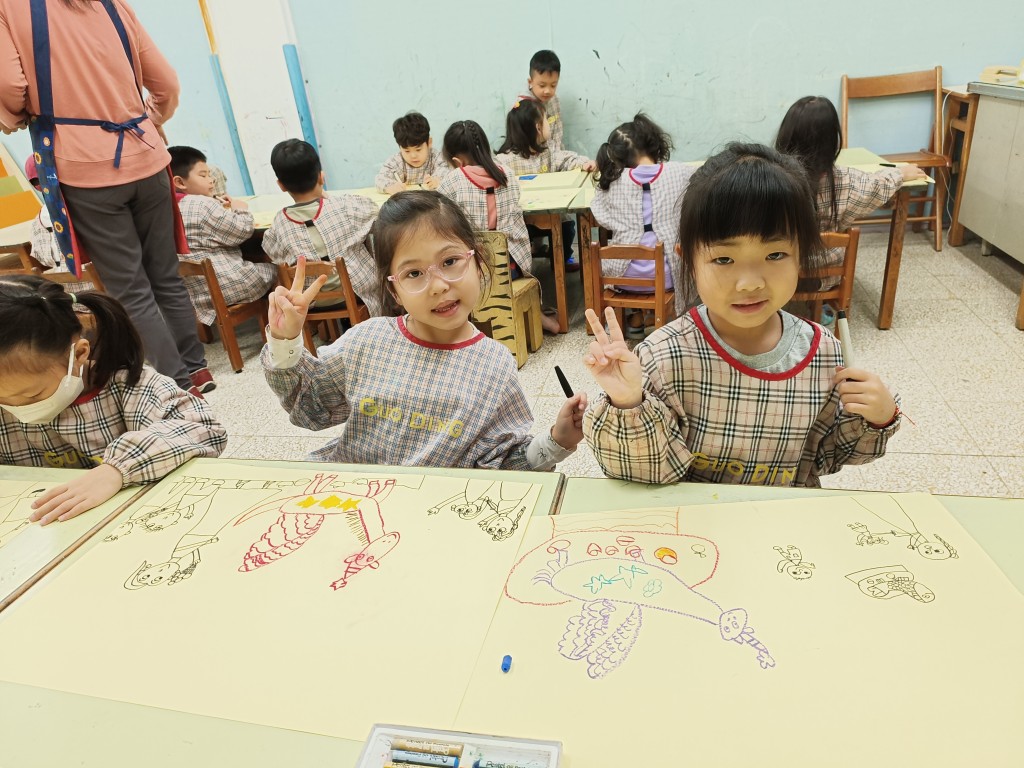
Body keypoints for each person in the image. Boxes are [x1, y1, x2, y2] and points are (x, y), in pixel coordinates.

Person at [583, 142, 902, 487]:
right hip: (697, 519)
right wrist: (628, 402)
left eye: (775, 255)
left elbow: (826, 456)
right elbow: (649, 474)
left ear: (802, 254)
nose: (750, 283)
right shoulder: (663, 357)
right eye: (723, 259)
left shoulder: (823, 352)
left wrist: (878, 418)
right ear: (688, 260)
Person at [262, 190, 586, 469]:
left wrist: (556, 441)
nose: (439, 285)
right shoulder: (366, 341)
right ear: (394, 291)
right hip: (352, 494)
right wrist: (284, 339)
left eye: (450, 261)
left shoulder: (494, 365)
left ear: (477, 262)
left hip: (430, 510)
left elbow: (500, 464)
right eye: (414, 274)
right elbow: (310, 410)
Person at [0, 0, 212, 396]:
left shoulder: (10, 8)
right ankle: (198, 369)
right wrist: (152, 119)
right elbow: (166, 84)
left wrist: (12, 117)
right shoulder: (111, 3)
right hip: (148, 157)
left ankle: (179, 384)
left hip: (84, 167)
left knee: (131, 289)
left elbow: (10, 87)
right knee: (166, 276)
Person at [0, 275, 226, 525]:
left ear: (80, 353)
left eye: (32, 395)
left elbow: (204, 428)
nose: (16, 406)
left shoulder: (128, 385)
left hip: (137, 521)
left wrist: (117, 470)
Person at [774, 96, 926, 294]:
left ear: (786, 134)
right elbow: (877, 186)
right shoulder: (845, 180)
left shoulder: (773, 179)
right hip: (823, 274)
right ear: (832, 140)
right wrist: (900, 173)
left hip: (777, 271)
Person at [436, 120, 560, 335]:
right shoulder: (507, 174)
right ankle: (539, 316)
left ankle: (464, 327)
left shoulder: (453, 180)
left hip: (478, 270)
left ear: (456, 161)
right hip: (514, 266)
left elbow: (438, 217)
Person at [591, 113, 697, 334]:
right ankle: (654, 316)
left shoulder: (612, 182)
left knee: (628, 254)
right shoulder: (678, 172)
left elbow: (602, 217)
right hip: (668, 276)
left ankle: (640, 317)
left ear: (617, 157)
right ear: (654, 144)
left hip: (621, 277)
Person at [169, 145, 275, 347]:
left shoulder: (165, 207)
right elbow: (242, 231)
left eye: (210, 174)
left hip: (198, 293)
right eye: (203, 175)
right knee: (275, 268)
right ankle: (284, 331)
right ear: (180, 182)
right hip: (229, 284)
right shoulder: (201, 204)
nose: (211, 180)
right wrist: (240, 209)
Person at [262, 139, 381, 315]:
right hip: (357, 292)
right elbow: (374, 211)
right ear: (321, 177)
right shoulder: (344, 207)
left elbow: (272, 250)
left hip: (309, 300)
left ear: (281, 185)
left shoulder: (280, 223)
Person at [496, 98, 594, 271]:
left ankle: (562, 259)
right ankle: (521, 264)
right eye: (546, 119)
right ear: (538, 128)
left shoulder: (547, 152)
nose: (549, 124)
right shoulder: (506, 160)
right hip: (521, 220)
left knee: (568, 228)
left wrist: (584, 163)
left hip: (551, 214)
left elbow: (566, 159)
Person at [23, 154, 94, 294]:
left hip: (65, 294)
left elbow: (43, 258)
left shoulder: (38, 222)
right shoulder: (87, 208)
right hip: (101, 291)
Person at [374, 111, 448, 194]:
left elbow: (447, 171)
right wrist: (390, 187)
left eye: (418, 149)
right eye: (407, 151)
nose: (413, 156)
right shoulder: (396, 161)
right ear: (400, 147)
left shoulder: (436, 157)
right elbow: (380, 179)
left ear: (429, 142)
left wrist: (438, 180)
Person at [516, 49, 565, 153]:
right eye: (542, 85)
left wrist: (559, 154)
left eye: (553, 85)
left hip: (556, 154)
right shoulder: (523, 106)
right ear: (530, 82)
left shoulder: (554, 99)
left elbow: (558, 132)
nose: (547, 91)